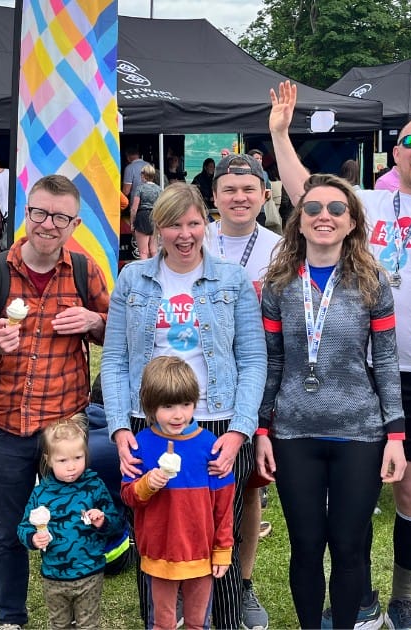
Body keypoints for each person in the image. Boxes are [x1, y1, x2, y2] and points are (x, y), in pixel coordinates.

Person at [271, 80, 411, 629]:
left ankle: (402, 597)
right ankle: (358, 594)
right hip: (349, 374)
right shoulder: (367, 202)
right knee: (353, 486)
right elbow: (303, 192)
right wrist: (280, 135)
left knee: (409, 489)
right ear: (396, 152)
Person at [102, 182, 265, 630]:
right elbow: (115, 359)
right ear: (159, 228)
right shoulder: (133, 278)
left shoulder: (231, 280)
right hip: (147, 424)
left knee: (216, 540)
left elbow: (252, 359)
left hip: (215, 424)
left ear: (206, 225)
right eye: (174, 224)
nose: (185, 233)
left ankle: (226, 621)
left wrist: (239, 431)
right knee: (152, 533)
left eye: (193, 222)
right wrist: (120, 429)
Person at [0, 173, 110, 630]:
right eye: (39, 212)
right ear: (26, 214)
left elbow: (118, 335)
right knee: (8, 531)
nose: (47, 224)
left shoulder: (85, 272)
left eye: (59, 217)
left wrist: (93, 321)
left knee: (70, 521)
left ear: (74, 224)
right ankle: (10, 618)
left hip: (64, 431)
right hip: (5, 426)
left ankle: (75, 610)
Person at [254, 173, 407, 630]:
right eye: (314, 209)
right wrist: (263, 429)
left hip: (358, 431)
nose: (325, 216)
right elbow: (273, 363)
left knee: (347, 545)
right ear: (298, 222)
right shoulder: (277, 284)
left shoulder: (372, 281)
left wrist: (395, 435)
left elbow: (387, 360)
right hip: (294, 432)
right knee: (305, 545)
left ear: (352, 222)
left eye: (337, 209)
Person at [204, 152, 283, 629]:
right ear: (214, 197)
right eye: (229, 190)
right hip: (199, 384)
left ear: (264, 195)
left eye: (248, 189)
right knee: (194, 486)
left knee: (247, 489)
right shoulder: (195, 239)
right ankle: (196, 580)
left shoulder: (280, 249)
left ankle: (243, 584)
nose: (239, 197)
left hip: (257, 381)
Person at [121, 356, 236, 630]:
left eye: (185, 404)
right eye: (168, 406)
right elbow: (128, 497)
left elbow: (224, 504)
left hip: (201, 554)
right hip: (158, 553)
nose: (178, 415)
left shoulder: (211, 446)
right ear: (150, 406)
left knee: (198, 624)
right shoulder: (141, 445)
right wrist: (148, 484)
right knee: (162, 624)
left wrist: (222, 549)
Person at [18, 416, 124, 630]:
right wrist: (32, 537)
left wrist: (103, 521)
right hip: (54, 576)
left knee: (88, 625)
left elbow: (116, 523)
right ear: (48, 459)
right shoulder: (41, 493)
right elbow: (23, 527)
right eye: (63, 460)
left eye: (78, 457)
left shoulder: (95, 486)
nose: (71, 467)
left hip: (90, 574)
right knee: (59, 624)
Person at [129, 164, 162, 259]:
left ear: (144, 175)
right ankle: (156, 271)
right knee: (154, 250)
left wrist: (132, 223)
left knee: (143, 251)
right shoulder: (159, 189)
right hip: (155, 217)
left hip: (142, 217)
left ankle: (144, 272)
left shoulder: (140, 188)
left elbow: (134, 208)